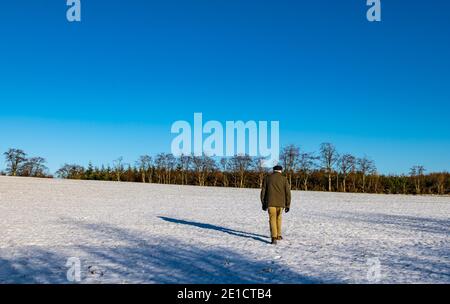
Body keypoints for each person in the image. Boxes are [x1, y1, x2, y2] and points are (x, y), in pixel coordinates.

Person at [260, 165, 291, 245]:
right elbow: (288, 193)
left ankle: (274, 237)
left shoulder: (267, 178)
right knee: (279, 218)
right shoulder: (284, 179)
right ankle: (278, 235)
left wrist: (263, 203)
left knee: (272, 219)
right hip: (281, 203)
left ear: (273, 170)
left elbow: (263, 191)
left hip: (270, 202)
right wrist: (288, 205)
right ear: (281, 170)